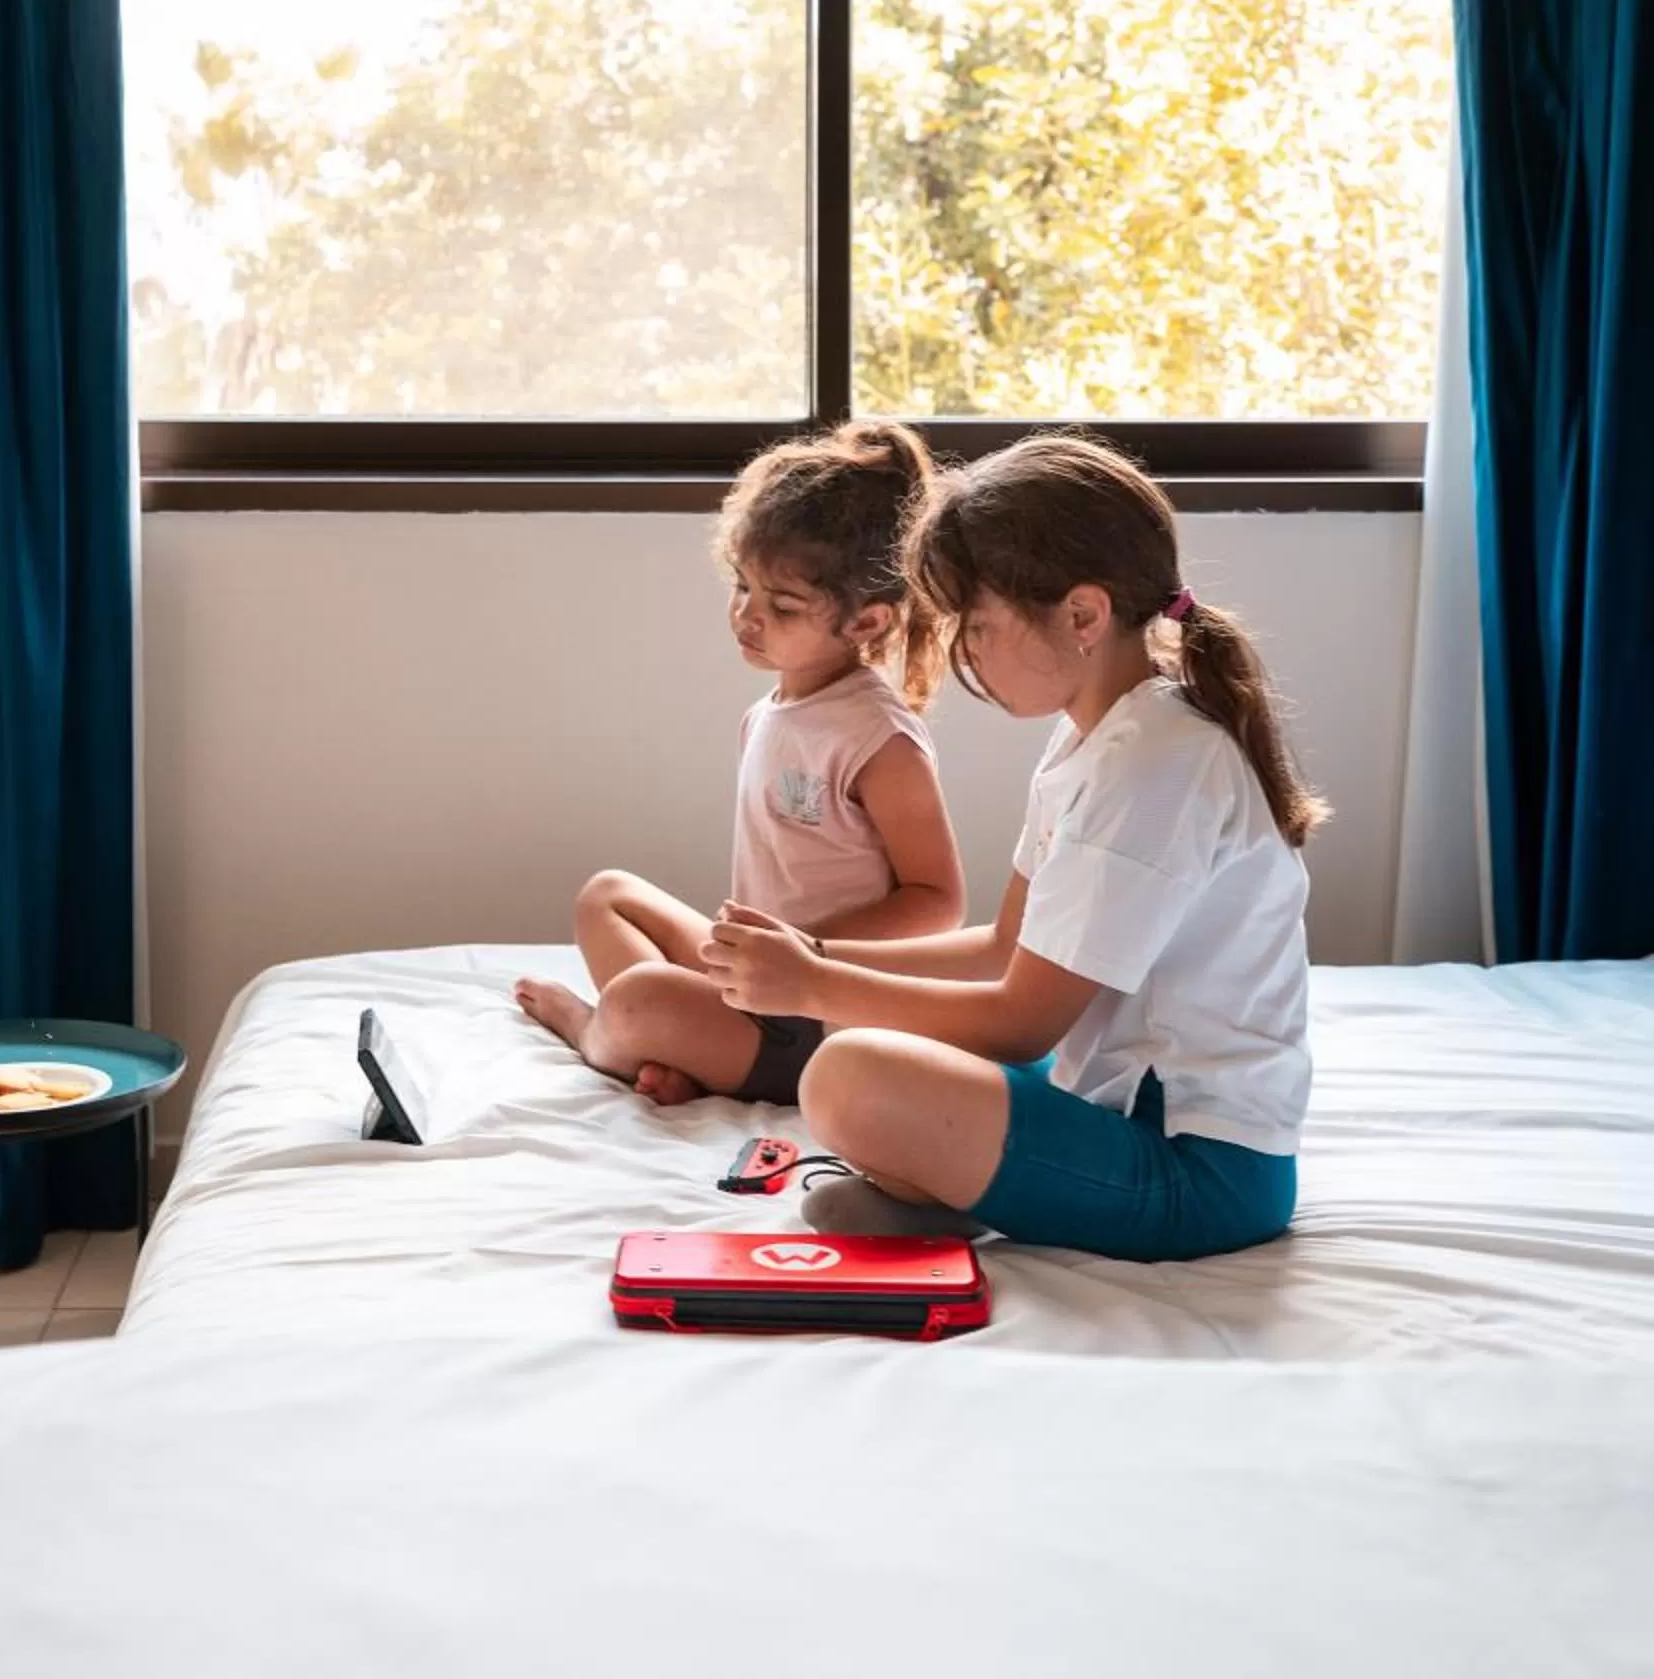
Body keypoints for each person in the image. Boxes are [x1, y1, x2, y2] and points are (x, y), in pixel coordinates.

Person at [703, 431, 1318, 1256]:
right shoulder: (1092, 740)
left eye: (977, 624)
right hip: (1108, 1095)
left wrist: (813, 983)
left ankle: (983, 1191)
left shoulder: (1156, 765)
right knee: (870, 1050)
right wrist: (810, 956)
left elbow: (1021, 1023)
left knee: (850, 1073)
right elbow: (1004, 948)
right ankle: (977, 1192)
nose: (963, 653)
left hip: (1202, 1168)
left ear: (1084, 615)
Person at [516, 421, 964, 1105]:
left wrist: (807, 951)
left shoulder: (878, 739)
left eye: (782, 605)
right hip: (755, 978)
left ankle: (595, 1032)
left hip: (820, 1011)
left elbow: (939, 903)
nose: (747, 616)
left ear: (866, 623)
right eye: (742, 587)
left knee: (639, 998)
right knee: (606, 896)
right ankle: (676, 1051)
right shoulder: (773, 711)